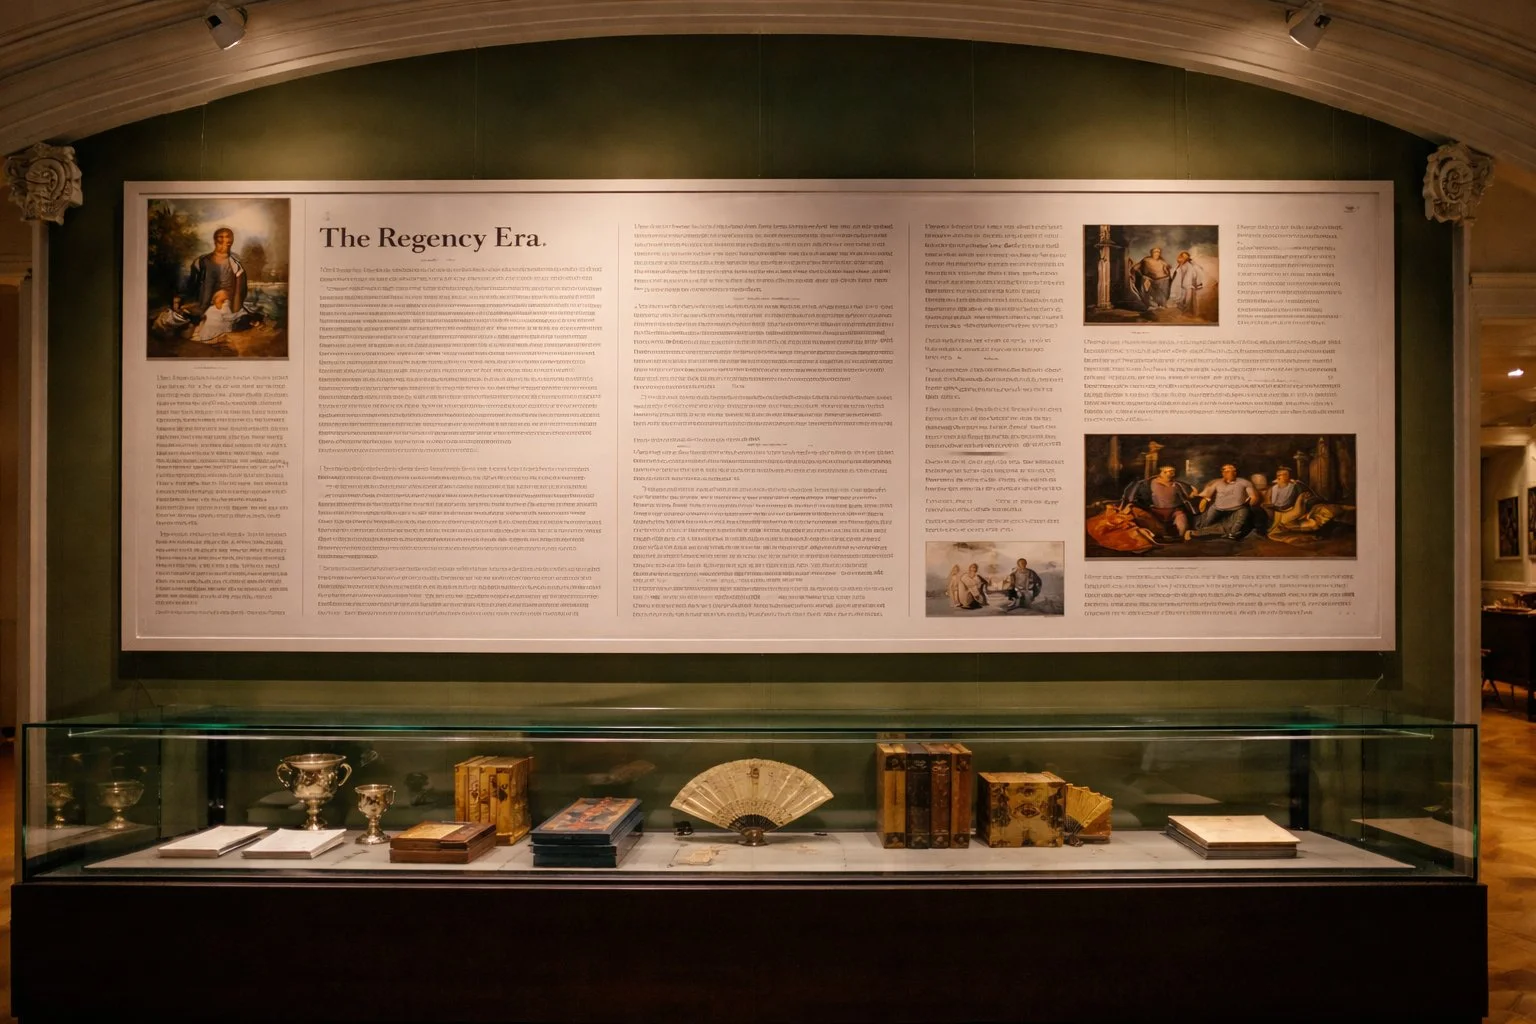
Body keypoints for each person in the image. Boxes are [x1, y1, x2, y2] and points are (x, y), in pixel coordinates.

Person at [1120, 465, 1197, 541]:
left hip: (1175, 511)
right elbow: (1135, 498)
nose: (1170, 474)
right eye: (1167, 472)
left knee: (1182, 524)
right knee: (1150, 524)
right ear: (1161, 473)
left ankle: (1178, 537)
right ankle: (1161, 535)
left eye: (1172, 471)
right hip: (1155, 512)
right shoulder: (1147, 484)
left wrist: (1193, 494)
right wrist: (1131, 505)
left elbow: (1188, 497)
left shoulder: (1179, 485)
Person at [185, 226, 246, 317]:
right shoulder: (200, 262)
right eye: (221, 237)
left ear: (231, 241)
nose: (225, 239)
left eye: (228, 237)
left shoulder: (235, 266)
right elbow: (192, 286)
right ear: (215, 240)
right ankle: (201, 308)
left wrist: (235, 313)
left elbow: (238, 292)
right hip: (201, 303)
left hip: (223, 304)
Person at [1195, 463, 1258, 539]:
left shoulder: (1244, 482)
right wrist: (1196, 494)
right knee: (1205, 523)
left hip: (1238, 508)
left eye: (1229, 471)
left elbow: (1253, 496)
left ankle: (1232, 533)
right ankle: (1204, 532)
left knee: (1242, 517)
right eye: (1224, 471)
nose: (1226, 473)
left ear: (1235, 472)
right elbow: (1206, 493)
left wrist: (1251, 500)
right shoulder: (1217, 482)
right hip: (1217, 508)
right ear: (1222, 473)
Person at [1168, 250, 1205, 315]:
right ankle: (1186, 311)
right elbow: (1175, 273)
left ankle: (1188, 312)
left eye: (1186, 256)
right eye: (1183, 256)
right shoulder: (1180, 265)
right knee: (1182, 298)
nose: (1184, 258)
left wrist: (1195, 283)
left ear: (1188, 257)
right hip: (1182, 285)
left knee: (1189, 299)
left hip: (1189, 284)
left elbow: (1197, 271)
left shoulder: (1190, 264)